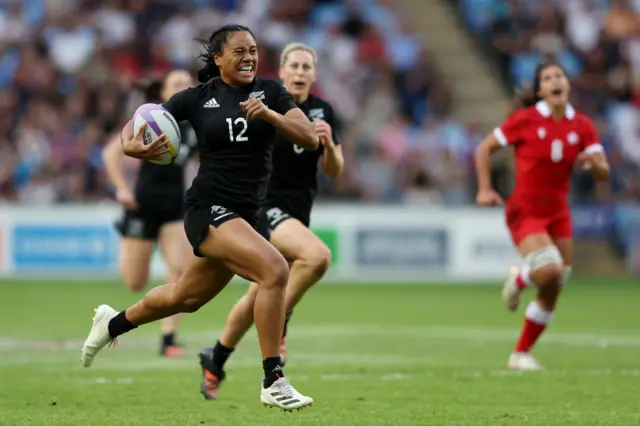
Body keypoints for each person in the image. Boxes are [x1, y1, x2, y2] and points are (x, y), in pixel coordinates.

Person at [81, 24, 319, 411]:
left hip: (246, 215)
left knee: (184, 297)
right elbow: (142, 121)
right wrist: (130, 145)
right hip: (207, 209)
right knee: (275, 270)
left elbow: (309, 138)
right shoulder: (196, 98)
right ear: (218, 59)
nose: (249, 57)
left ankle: (112, 323)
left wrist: (272, 117)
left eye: (254, 50)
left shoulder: (272, 92)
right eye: (239, 51)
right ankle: (273, 378)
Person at [198, 43, 344, 401]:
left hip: (298, 211)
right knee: (318, 257)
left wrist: (329, 144)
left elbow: (334, 171)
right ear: (281, 71)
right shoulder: (267, 105)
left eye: (306, 67)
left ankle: (216, 356)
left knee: (259, 295)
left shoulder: (323, 111)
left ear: (314, 73)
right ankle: (281, 324)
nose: (299, 72)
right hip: (263, 207)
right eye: (293, 65)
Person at [474, 60, 610, 371]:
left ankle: (521, 353)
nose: (554, 80)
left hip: (558, 212)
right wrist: (485, 188)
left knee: (556, 281)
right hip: (526, 209)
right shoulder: (525, 120)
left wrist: (594, 164)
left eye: (559, 75)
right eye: (547, 78)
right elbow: (485, 148)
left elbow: (603, 171)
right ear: (540, 90)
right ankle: (521, 277)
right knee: (548, 269)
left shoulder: (582, 125)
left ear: (568, 84)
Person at [102, 70, 198, 358]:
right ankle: (111, 318)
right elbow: (110, 153)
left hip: (175, 209)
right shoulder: (149, 119)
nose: (183, 88)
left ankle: (168, 339)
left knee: (180, 273)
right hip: (141, 206)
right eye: (177, 84)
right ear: (165, 91)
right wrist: (121, 189)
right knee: (135, 282)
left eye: (187, 84)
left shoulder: (196, 127)